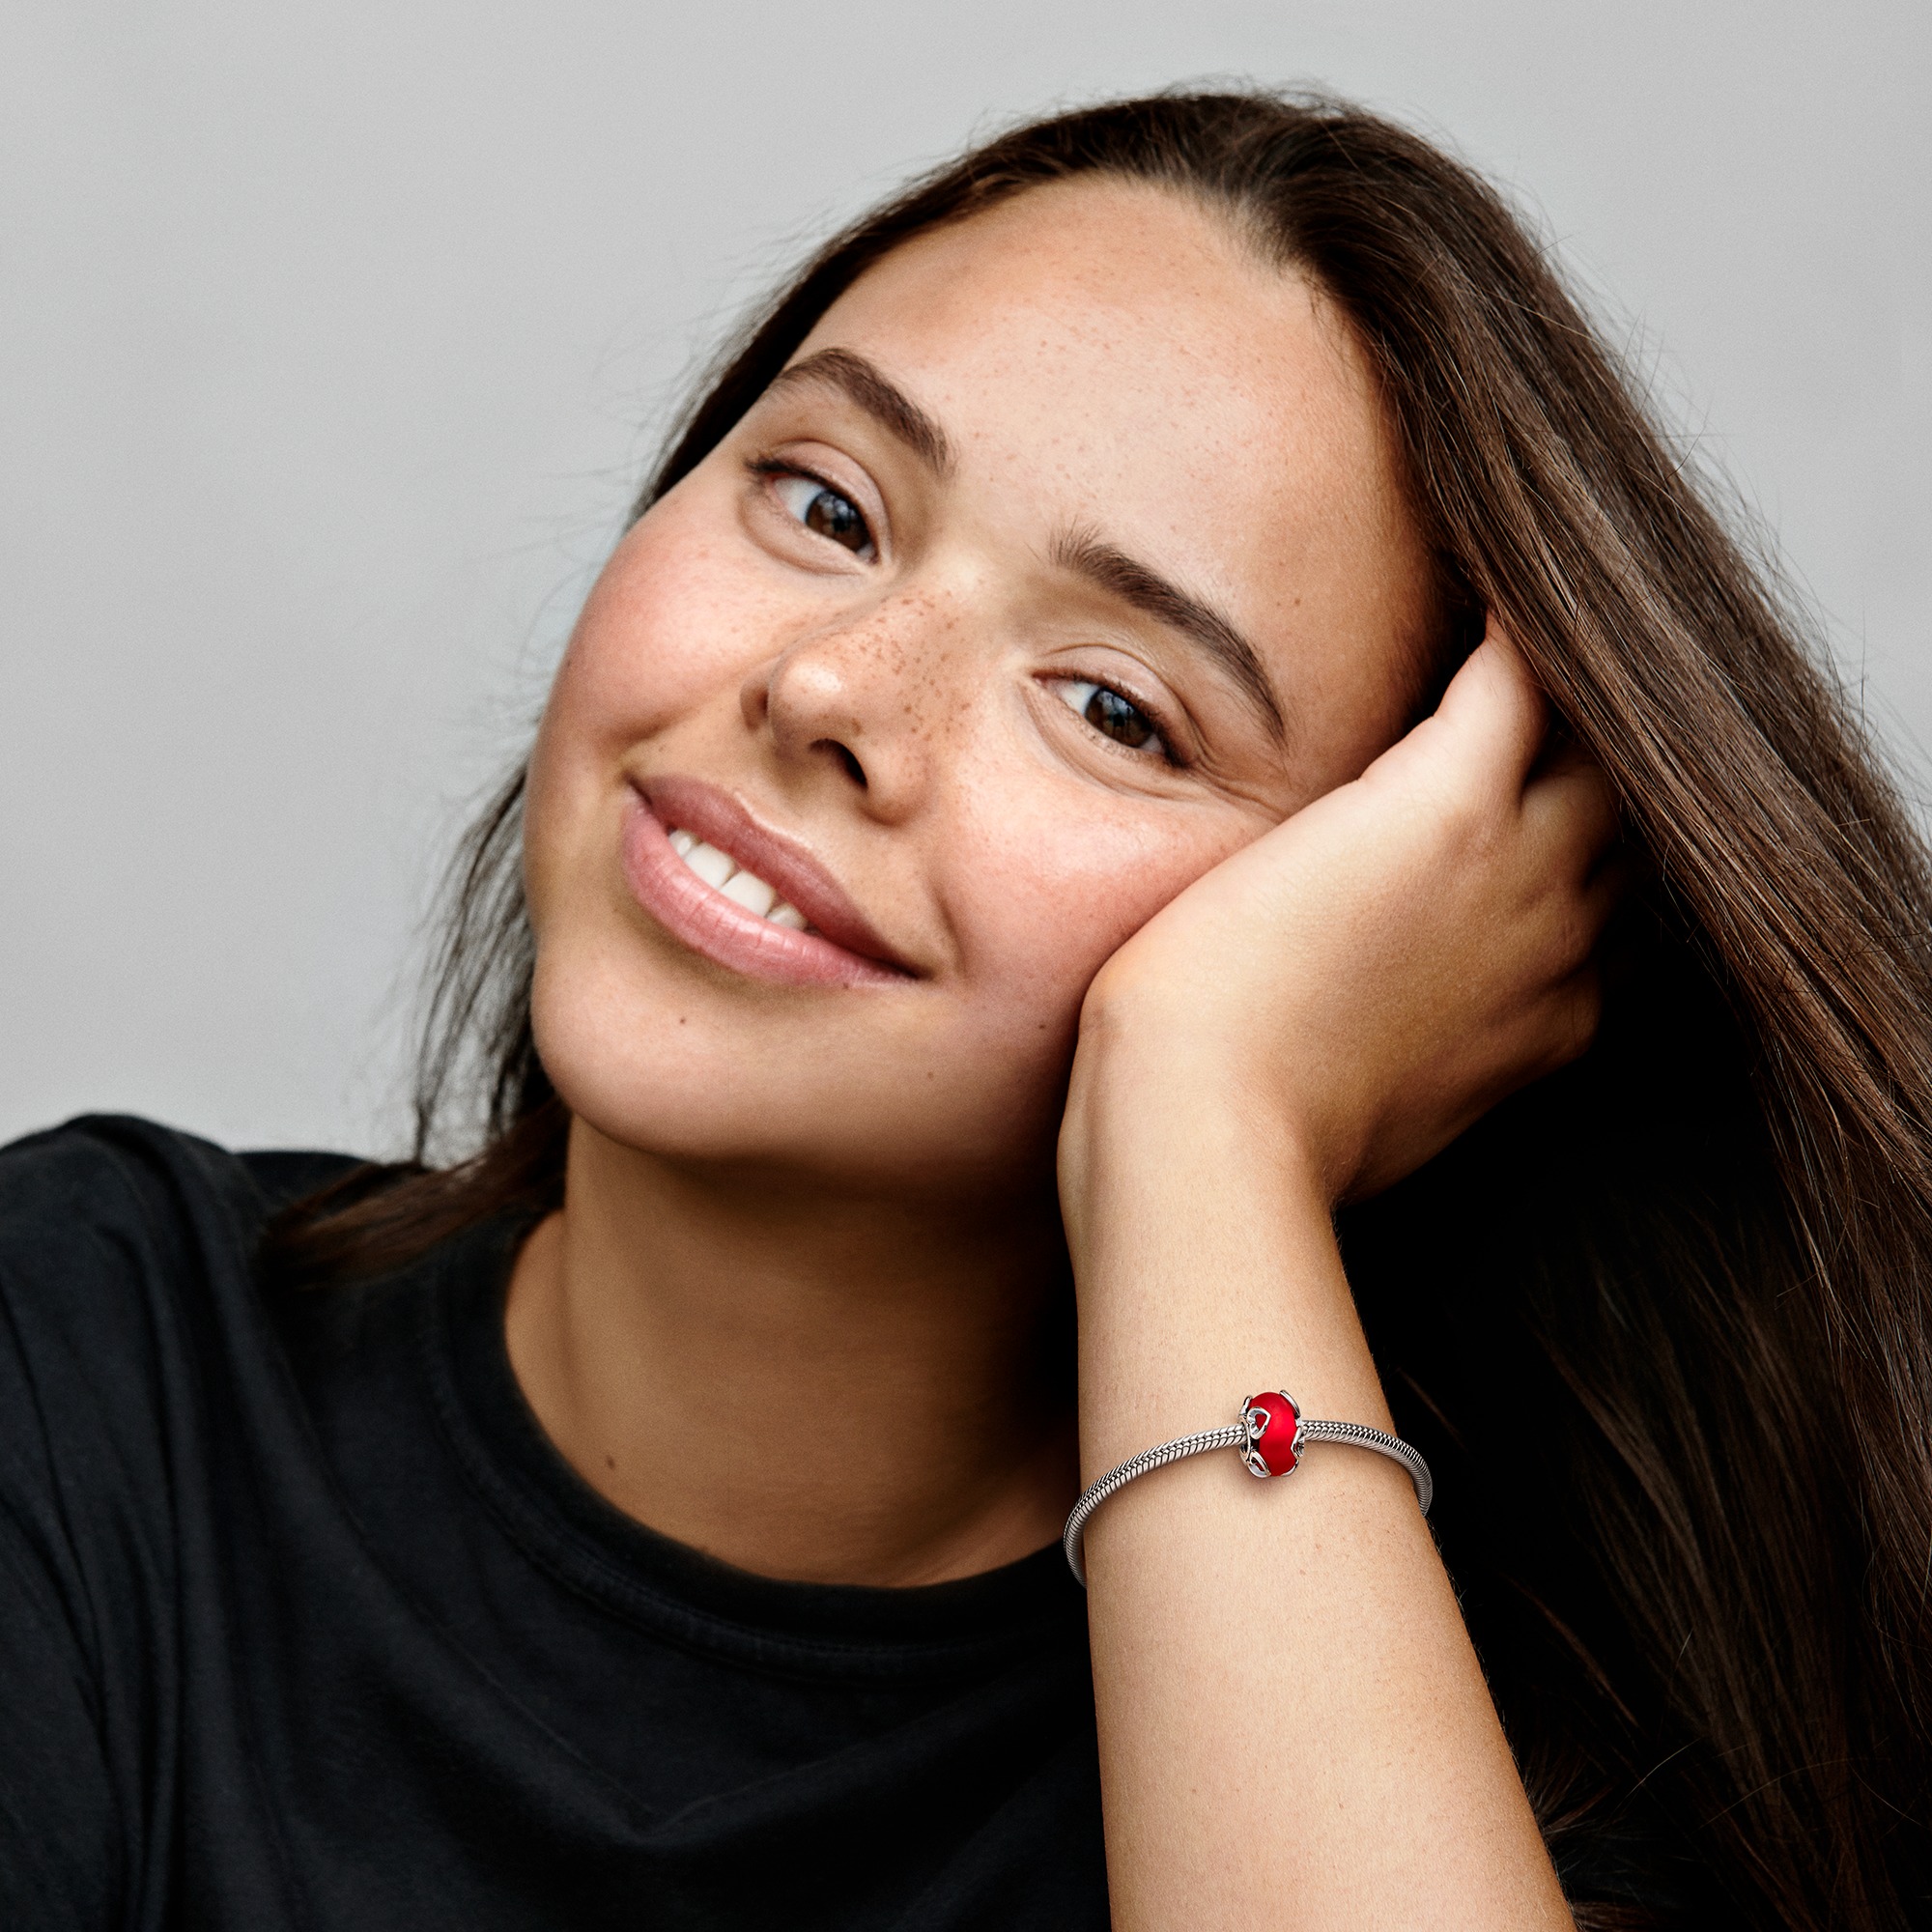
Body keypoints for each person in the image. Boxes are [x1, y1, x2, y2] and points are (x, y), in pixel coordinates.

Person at [3, 87, 1927, 1930]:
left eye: (1113, 706)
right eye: (827, 504)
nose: (834, 688)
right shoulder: (79, 1356)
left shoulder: (1496, 1770)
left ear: (1391, 935)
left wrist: (1207, 1118)